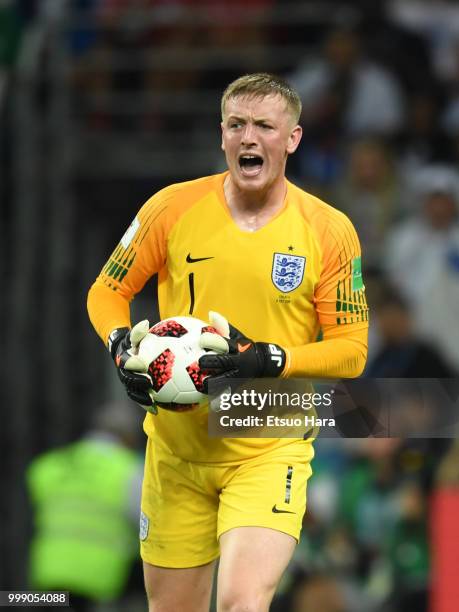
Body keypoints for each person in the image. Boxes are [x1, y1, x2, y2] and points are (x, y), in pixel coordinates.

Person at [87, 72, 369, 612]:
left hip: (268, 445)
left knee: (242, 602)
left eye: (265, 125)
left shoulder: (329, 230)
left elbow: (351, 349)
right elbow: (107, 290)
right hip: (176, 451)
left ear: (292, 139)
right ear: (222, 135)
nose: (249, 137)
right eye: (236, 124)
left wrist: (268, 359)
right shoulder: (170, 209)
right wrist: (119, 344)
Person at [26, 401, 144, 612]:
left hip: (48, 576)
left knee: (15, 600)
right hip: (98, 583)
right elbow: (146, 525)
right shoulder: (129, 471)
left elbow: (36, 483)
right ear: (129, 436)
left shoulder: (52, 465)